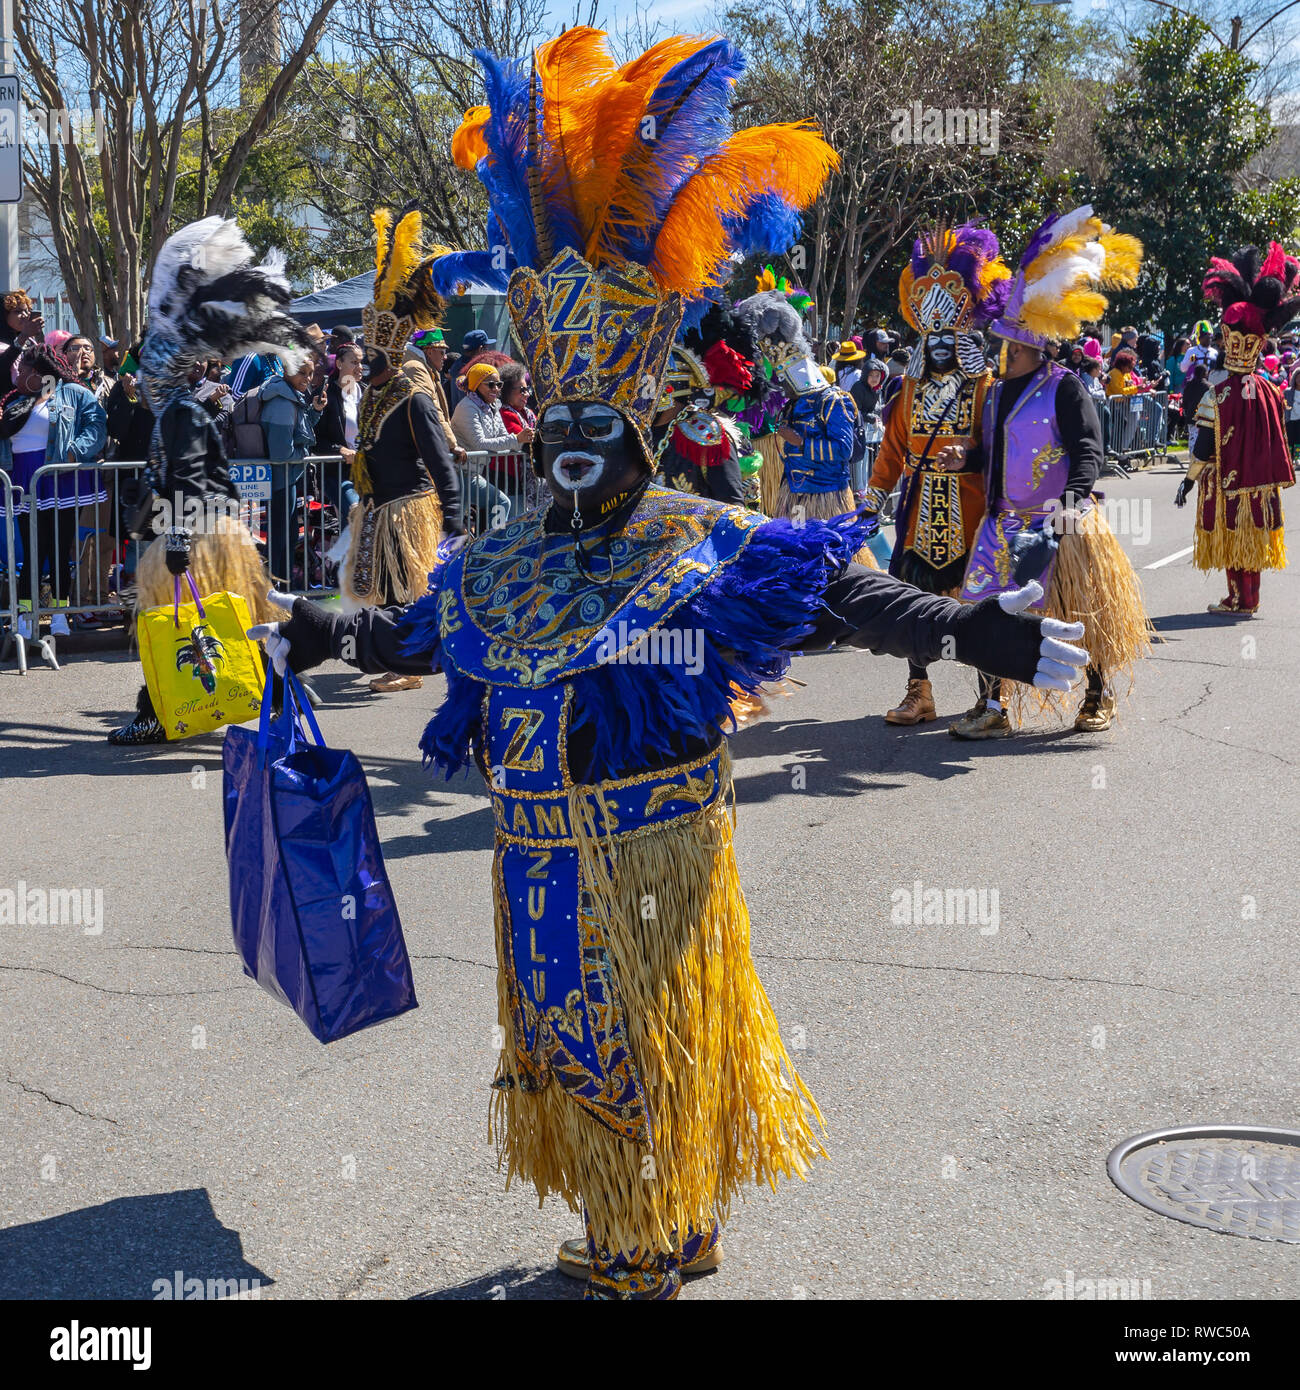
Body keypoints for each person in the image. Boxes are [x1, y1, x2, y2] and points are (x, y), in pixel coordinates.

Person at [247, 26, 1090, 1302]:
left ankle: (651, 1234)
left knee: (641, 1043)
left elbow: (839, 595)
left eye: (603, 422)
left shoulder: (698, 542)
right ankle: (652, 1221)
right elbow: (420, 635)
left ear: (642, 423)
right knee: (567, 1044)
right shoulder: (505, 552)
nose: (577, 442)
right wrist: (326, 630)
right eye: (562, 420)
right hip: (532, 857)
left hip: (651, 862)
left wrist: (968, 628)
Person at [106, 216, 310, 744]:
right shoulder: (175, 411)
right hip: (206, 534)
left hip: (202, 538)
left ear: (163, 377)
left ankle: (268, 705)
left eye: (149, 376)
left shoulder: (181, 415)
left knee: (190, 620)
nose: (144, 383)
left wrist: (175, 541)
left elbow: (191, 481)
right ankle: (264, 704)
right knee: (211, 622)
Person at [951, 205, 1152, 737]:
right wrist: (966, 459)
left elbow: (1089, 447)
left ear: (1035, 345)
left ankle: (1096, 693)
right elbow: (991, 454)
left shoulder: (1064, 387)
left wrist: (1075, 499)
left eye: (1013, 346)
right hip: (1003, 524)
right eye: (1003, 344)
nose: (1005, 352)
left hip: (1059, 523)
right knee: (985, 617)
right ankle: (992, 708)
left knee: (1079, 612)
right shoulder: (994, 393)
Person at [862, 223, 1007, 725]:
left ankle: (993, 695)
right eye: (933, 335)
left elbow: (1000, 451)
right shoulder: (908, 389)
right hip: (919, 505)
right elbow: (894, 446)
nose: (942, 345)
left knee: (983, 602)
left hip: (973, 509)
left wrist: (970, 460)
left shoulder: (989, 388)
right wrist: (875, 494)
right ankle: (919, 691)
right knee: (911, 599)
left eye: (951, 335)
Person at [337, 206, 463, 696]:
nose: (364, 361)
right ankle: (399, 656)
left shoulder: (413, 399)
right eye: (363, 354)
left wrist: (453, 520)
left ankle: (410, 662)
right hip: (377, 507)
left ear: (388, 353)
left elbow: (440, 461)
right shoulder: (373, 396)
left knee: (407, 591)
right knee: (383, 592)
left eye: (371, 355)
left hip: (408, 510)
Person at [1177, 243, 1296, 615]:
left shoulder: (1218, 394)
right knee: (1254, 542)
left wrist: (1189, 480)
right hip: (1261, 486)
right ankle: (1251, 598)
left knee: (1232, 542)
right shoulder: (1270, 389)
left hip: (1228, 485)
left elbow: (1202, 448)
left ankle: (1235, 599)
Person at [733, 277, 877, 565]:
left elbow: (843, 451)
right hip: (792, 498)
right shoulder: (793, 405)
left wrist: (801, 441)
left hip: (826, 499)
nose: (780, 387)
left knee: (833, 562)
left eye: (783, 379)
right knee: (795, 562)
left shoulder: (833, 400)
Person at [0, 343, 107, 638]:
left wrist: (75, 452)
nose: (17, 373)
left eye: (22, 369)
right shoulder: (14, 400)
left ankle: (59, 614)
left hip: (59, 479)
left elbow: (97, 424)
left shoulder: (73, 393)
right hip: (23, 481)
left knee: (59, 548)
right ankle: (24, 616)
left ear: (38, 373)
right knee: (33, 551)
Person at [260, 359, 325, 585]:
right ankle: (277, 593)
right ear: (287, 370)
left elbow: (299, 433)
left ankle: (280, 591)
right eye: (301, 373)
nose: (307, 379)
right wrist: (304, 455)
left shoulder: (289, 397)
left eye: (310, 373)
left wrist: (314, 411)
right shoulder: (282, 402)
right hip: (280, 481)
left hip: (285, 479)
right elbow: (281, 453)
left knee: (285, 538)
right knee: (281, 541)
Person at [449, 360, 521, 525]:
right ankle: (494, 545)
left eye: (499, 384)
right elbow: (480, 444)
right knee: (500, 503)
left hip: (471, 473)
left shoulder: (493, 406)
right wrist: (516, 439)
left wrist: (518, 440)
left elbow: (503, 436)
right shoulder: (467, 407)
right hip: (459, 474)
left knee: (459, 523)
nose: (496, 389)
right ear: (476, 385)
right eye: (490, 385)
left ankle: (490, 545)